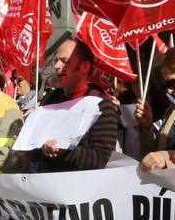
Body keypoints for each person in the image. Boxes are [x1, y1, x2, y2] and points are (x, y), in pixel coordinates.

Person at [20, 39, 119, 174]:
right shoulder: (51, 99)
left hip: (79, 190)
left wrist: (65, 151)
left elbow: (100, 159)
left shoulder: (102, 106)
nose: (57, 66)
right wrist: (27, 148)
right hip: (45, 187)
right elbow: (39, 152)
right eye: (56, 60)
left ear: (85, 67)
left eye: (65, 61)